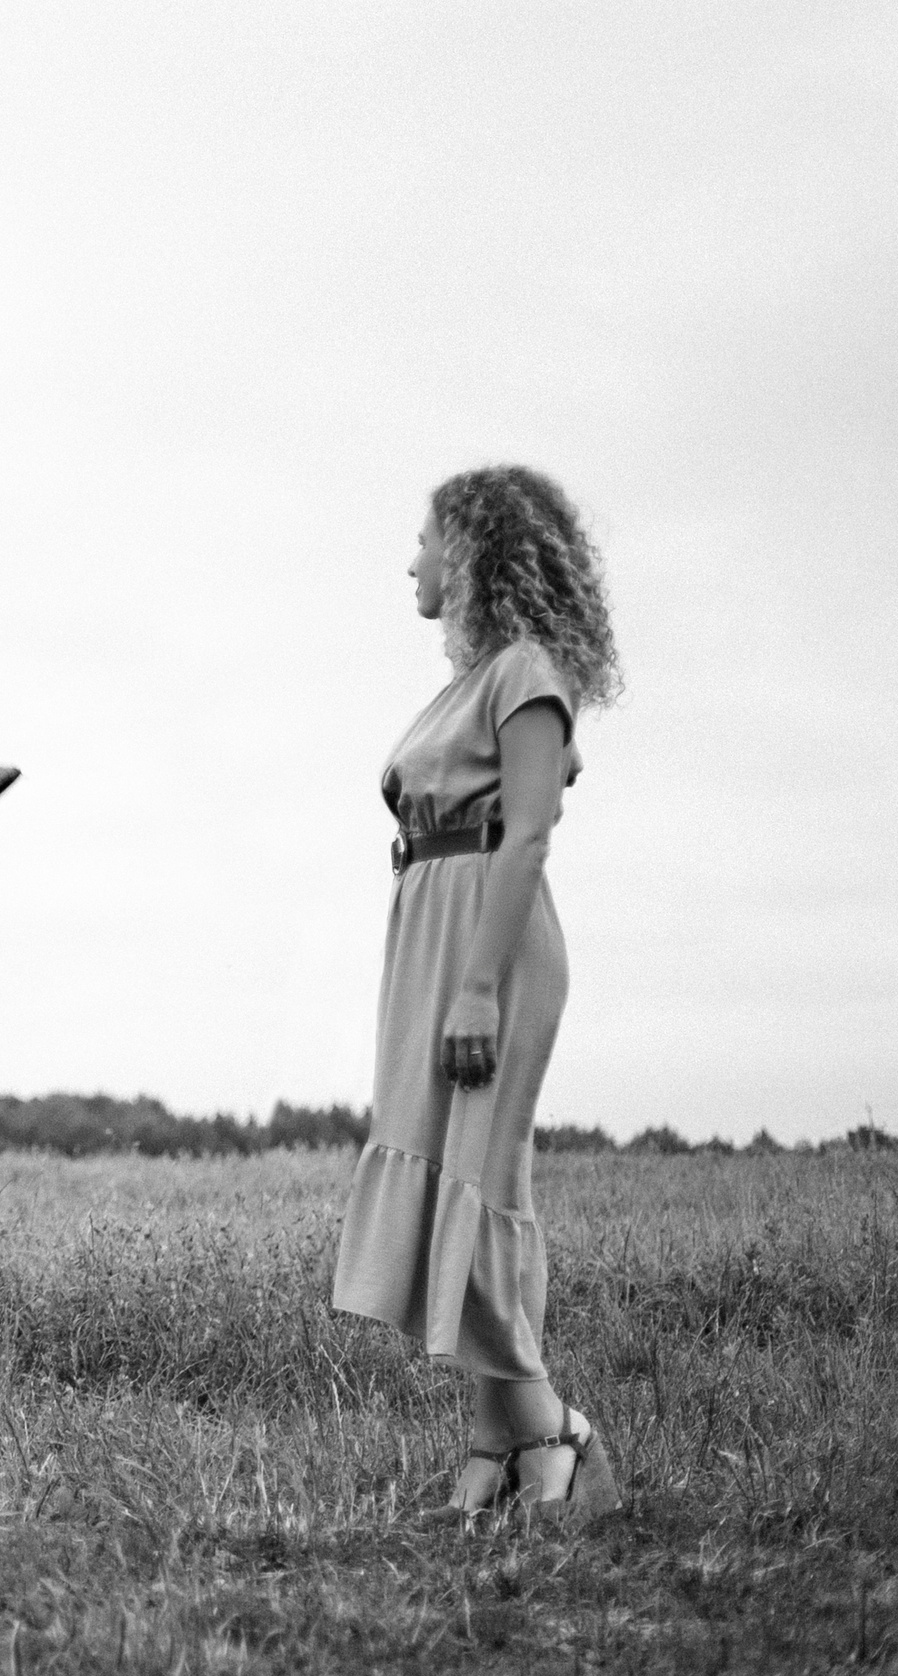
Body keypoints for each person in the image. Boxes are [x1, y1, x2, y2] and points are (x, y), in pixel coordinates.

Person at [330, 465, 625, 1526]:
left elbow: (530, 832)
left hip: (486, 944)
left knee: (479, 1187)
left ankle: (555, 1433)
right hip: (433, 930)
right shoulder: (474, 678)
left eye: (424, 539)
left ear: (469, 552)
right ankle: (493, 1451)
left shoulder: (527, 673)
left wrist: (476, 990)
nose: (410, 560)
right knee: (464, 1185)